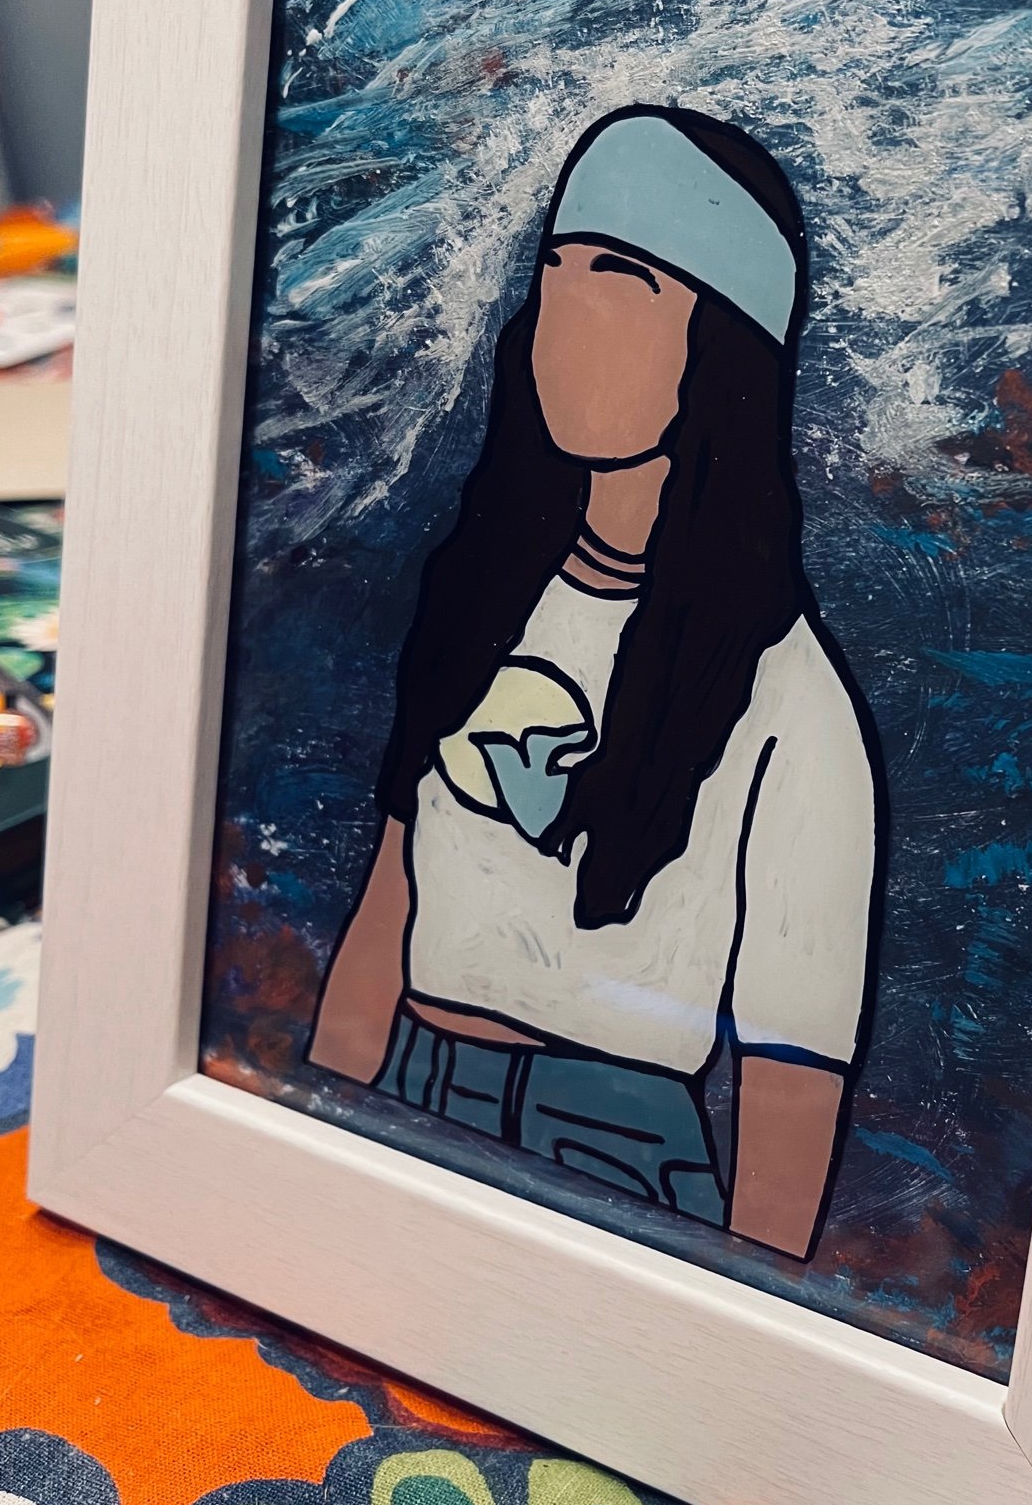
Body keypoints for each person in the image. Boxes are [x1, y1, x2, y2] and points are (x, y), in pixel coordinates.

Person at [308, 103, 882, 1260]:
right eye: (558, 271)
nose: (571, 314)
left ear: (722, 344)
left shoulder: (793, 703)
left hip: (619, 1160)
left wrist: (742, 1322)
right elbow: (385, 914)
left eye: (622, 278)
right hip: (411, 1092)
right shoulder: (480, 604)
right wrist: (314, 1154)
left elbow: (793, 1072)